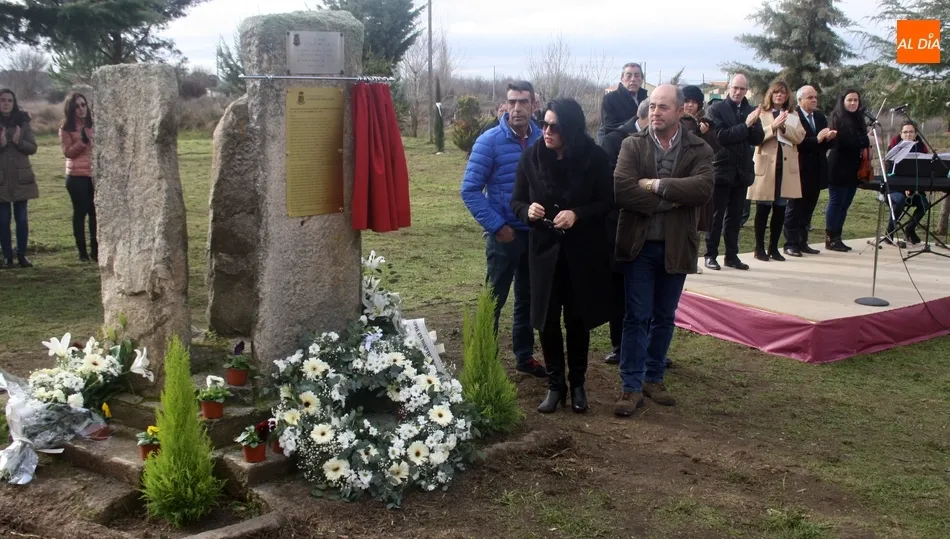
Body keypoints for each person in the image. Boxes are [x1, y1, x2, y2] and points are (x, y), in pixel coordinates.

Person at [612, 84, 714, 415]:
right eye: (652, 106)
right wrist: (673, 202)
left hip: (677, 246)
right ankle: (631, 386)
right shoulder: (632, 144)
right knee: (636, 316)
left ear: (681, 111)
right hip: (639, 246)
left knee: (664, 316)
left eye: (663, 107)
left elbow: (703, 188)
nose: (655, 112)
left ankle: (653, 378)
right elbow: (623, 190)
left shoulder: (699, 149)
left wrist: (656, 186)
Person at [511, 98, 613, 413]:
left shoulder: (594, 157)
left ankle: (578, 384)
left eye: (554, 126)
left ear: (570, 127)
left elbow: (606, 202)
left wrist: (577, 214)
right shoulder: (531, 157)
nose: (547, 131)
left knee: (577, 320)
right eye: (544, 124)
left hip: (582, 253)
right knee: (547, 321)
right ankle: (556, 386)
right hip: (544, 254)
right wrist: (527, 210)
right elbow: (515, 201)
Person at [461, 81, 547, 378]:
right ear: (504, 105)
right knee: (495, 298)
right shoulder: (489, 141)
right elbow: (470, 190)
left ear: (535, 104)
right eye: (512, 102)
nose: (517, 108)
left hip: (535, 234)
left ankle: (524, 356)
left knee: (527, 298)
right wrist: (498, 227)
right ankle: (485, 357)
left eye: (523, 102)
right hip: (504, 236)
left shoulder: (543, 139)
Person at [599, 97, 651, 366]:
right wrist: (652, 187)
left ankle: (650, 349)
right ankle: (620, 346)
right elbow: (614, 188)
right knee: (619, 290)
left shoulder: (665, 140)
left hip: (652, 226)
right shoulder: (613, 140)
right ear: (644, 118)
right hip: (618, 226)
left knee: (648, 290)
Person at [704, 74, 764, 271]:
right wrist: (745, 126)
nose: (738, 92)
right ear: (729, 88)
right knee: (716, 216)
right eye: (735, 88)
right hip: (722, 169)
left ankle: (732, 255)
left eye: (742, 89)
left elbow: (757, 139)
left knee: (735, 217)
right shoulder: (716, 109)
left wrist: (753, 125)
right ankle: (710, 255)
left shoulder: (751, 109)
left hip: (742, 171)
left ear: (747, 90)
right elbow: (721, 137)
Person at [748, 80, 805, 262]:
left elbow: (799, 137)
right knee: (763, 209)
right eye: (776, 93)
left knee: (780, 209)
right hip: (766, 167)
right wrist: (773, 127)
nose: (779, 96)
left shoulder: (793, 114)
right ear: (770, 95)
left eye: (783, 93)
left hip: (785, 168)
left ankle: (774, 247)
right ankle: (759, 247)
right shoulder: (761, 113)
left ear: (787, 96)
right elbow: (754, 137)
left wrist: (784, 126)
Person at [784, 85, 834, 256]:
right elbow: (795, 141)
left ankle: (802, 241)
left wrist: (830, 139)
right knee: (795, 208)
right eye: (810, 97)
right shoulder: (792, 116)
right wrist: (817, 139)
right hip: (799, 169)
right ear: (800, 100)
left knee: (808, 209)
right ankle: (790, 243)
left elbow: (823, 145)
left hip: (817, 169)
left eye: (815, 97)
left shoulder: (819, 116)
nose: (814, 100)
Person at [825, 89, 870, 252]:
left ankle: (838, 236)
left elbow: (857, 142)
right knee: (836, 202)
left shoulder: (859, 119)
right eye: (849, 100)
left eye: (856, 100)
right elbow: (842, 142)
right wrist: (866, 139)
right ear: (843, 101)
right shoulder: (836, 118)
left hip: (854, 168)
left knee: (845, 204)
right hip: (838, 166)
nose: (853, 103)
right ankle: (830, 238)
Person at [0, 88, 38, 269]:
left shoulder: (22, 122)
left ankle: (22, 255)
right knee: (2, 220)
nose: (6, 103)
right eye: (3, 100)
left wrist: (18, 142)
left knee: (21, 219)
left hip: (21, 178)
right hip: (1, 179)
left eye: (10, 100)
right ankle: (7, 257)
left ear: (14, 103)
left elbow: (32, 147)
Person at [59, 92, 97, 262]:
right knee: (80, 213)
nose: (81, 109)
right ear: (71, 109)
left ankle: (96, 251)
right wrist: (83, 142)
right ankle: (82, 252)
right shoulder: (66, 128)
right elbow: (67, 153)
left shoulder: (94, 123)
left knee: (95, 213)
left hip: (95, 175)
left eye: (83, 105)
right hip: (76, 176)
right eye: (77, 106)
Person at [681, 85, 720, 235]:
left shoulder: (706, 121)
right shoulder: (677, 121)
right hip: (683, 175)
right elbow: (683, 144)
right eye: (687, 101)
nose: (690, 105)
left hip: (702, 174)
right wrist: (698, 132)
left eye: (694, 102)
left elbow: (715, 147)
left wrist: (706, 132)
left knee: (698, 224)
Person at [885, 121, 929, 246]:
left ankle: (910, 229)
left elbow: (924, 169)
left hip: (915, 188)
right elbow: (889, 170)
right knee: (899, 200)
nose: (908, 134)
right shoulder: (894, 145)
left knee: (924, 204)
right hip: (894, 188)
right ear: (901, 133)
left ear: (915, 134)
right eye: (905, 132)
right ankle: (890, 232)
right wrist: (903, 186)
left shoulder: (921, 146)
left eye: (911, 132)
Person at [597, 62, 648, 143]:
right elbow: (609, 127)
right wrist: (636, 124)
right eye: (628, 75)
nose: (633, 79)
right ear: (622, 79)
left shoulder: (646, 100)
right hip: (617, 146)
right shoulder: (610, 99)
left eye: (637, 75)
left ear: (642, 79)